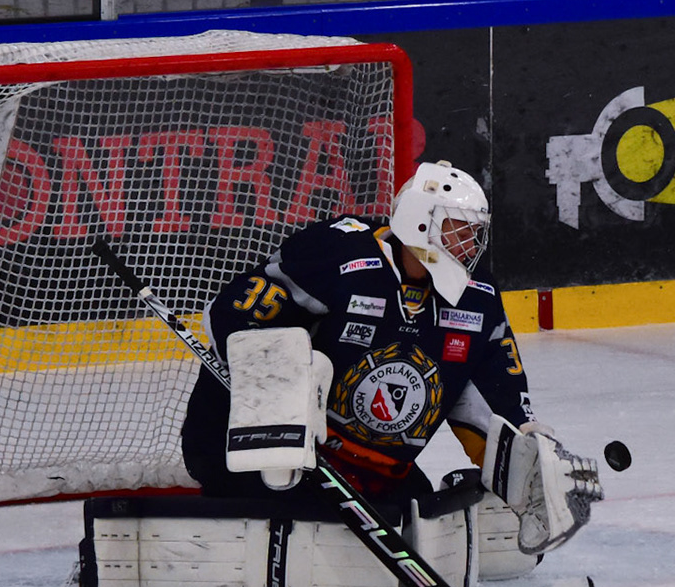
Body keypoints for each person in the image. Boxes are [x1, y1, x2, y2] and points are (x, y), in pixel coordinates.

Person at [179, 161, 596, 559]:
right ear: (419, 222)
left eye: (474, 234)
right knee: (307, 515)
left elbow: (494, 398)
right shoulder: (337, 255)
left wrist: (528, 456)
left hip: (371, 473)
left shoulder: (478, 298)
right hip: (259, 456)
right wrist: (288, 400)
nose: (471, 246)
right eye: (459, 230)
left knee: (426, 527)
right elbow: (230, 318)